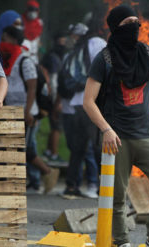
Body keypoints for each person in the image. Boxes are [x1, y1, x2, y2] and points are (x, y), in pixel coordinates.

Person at [83, 5, 149, 247]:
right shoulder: (104, 59)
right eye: (128, 23)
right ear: (116, 28)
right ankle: (122, 241)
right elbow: (88, 101)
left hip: (148, 134)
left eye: (137, 22)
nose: (134, 27)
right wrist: (106, 130)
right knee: (117, 195)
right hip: (116, 138)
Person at [0, 25, 59, 194]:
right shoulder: (10, 60)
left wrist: (27, 112)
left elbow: (32, 87)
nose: (3, 42)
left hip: (26, 113)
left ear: (14, 40)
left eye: (6, 38)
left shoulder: (25, 61)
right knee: (22, 148)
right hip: (13, 111)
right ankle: (46, 173)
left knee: (20, 149)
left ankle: (24, 180)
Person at [60, 23, 104, 199]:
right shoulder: (96, 43)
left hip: (78, 102)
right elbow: (105, 68)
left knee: (78, 148)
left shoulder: (75, 52)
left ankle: (72, 186)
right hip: (93, 102)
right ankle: (104, 187)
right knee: (98, 146)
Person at [40, 32, 68, 165]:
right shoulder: (55, 58)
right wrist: (58, 100)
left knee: (54, 125)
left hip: (51, 95)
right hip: (54, 96)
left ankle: (49, 151)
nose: (62, 45)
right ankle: (54, 153)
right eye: (61, 42)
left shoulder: (50, 55)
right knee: (57, 126)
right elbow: (55, 80)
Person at [22, 0, 43, 65]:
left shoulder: (39, 23)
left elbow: (38, 40)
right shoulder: (20, 20)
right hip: (22, 55)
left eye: (35, 10)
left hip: (34, 57)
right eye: (31, 9)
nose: (32, 12)